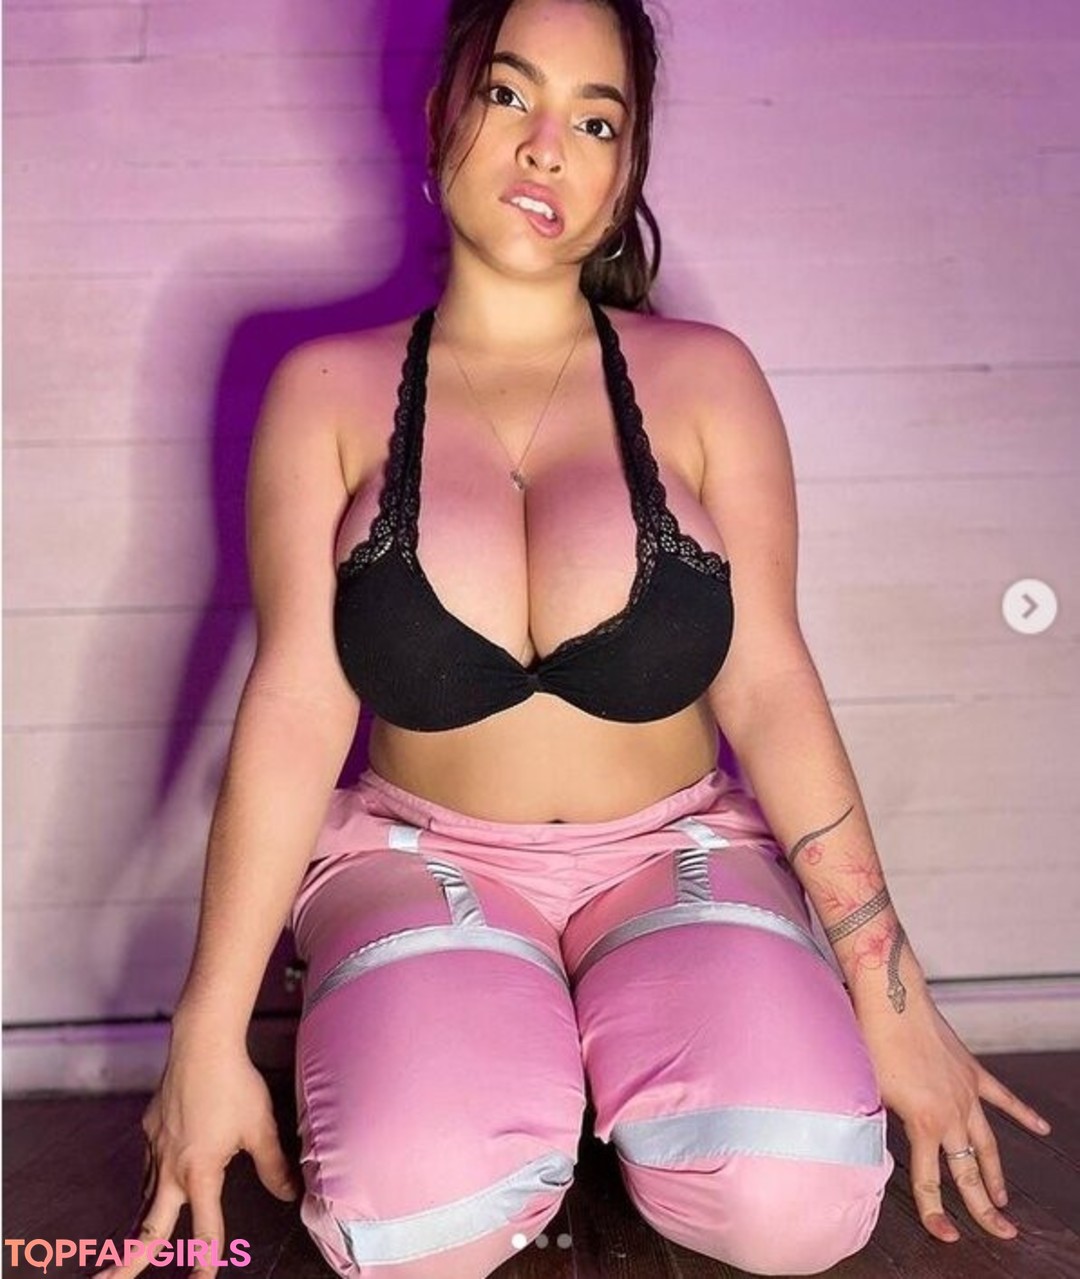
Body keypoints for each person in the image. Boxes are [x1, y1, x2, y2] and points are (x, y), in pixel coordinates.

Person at [98, 1, 1054, 1277]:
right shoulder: (326, 390)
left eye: (595, 122)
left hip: (674, 853)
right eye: (509, 94)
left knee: (799, 1202)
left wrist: (895, 1002)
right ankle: (514, 1058)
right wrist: (206, 1032)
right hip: (422, 857)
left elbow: (770, 686)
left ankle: (614, 1045)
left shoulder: (707, 381)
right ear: (440, 114)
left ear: (624, 171)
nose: (547, 146)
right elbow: (295, 707)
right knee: (415, 1223)